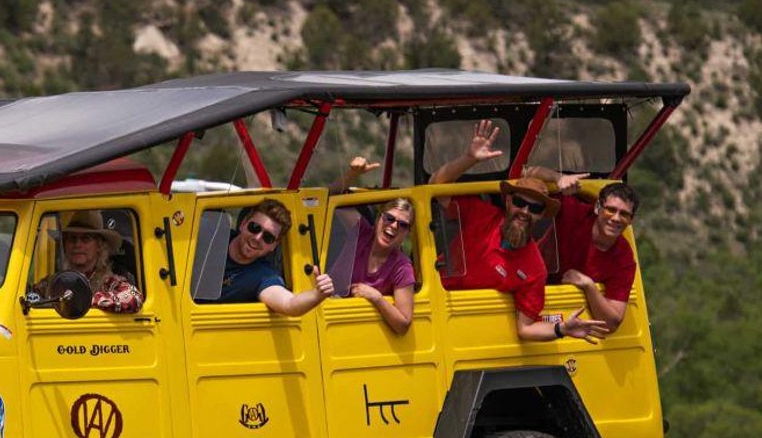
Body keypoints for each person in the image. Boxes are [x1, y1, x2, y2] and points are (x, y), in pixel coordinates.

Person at [429, 120, 608, 344]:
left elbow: (526, 328)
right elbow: (436, 187)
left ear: (542, 215)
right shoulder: (481, 215)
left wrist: (561, 329)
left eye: (534, 208)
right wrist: (470, 158)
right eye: (520, 202)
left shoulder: (534, 269)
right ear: (508, 202)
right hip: (433, 305)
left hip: (471, 330)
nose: (524, 211)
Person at [521, 167, 640, 334]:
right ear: (598, 207)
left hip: (560, 317)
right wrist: (558, 178)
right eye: (611, 210)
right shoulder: (572, 211)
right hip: (525, 285)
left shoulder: (624, 258)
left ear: (631, 220)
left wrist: (589, 286)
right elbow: (525, 173)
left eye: (624, 214)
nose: (616, 218)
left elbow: (612, 322)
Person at [330, 157, 415, 335]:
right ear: (378, 219)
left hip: (360, 331)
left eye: (403, 225)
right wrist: (353, 173)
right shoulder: (361, 233)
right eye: (389, 218)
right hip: (330, 310)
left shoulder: (402, 267)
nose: (393, 226)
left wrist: (376, 297)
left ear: (407, 232)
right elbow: (330, 199)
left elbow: (403, 324)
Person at [216, 199, 334, 315]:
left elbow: (289, 304)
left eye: (268, 237)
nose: (257, 238)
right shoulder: (212, 239)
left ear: (274, 245)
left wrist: (317, 294)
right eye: (254, 227)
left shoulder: (263, 276)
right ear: (243, 224)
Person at [41, 211, 143, 313]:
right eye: (72, 239)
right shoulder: (52, 283)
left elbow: (135, 297)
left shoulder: (110, 282)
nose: (77, 244)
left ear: (99, 246)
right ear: (64, 245)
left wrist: (91, 300)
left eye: (85, 239)